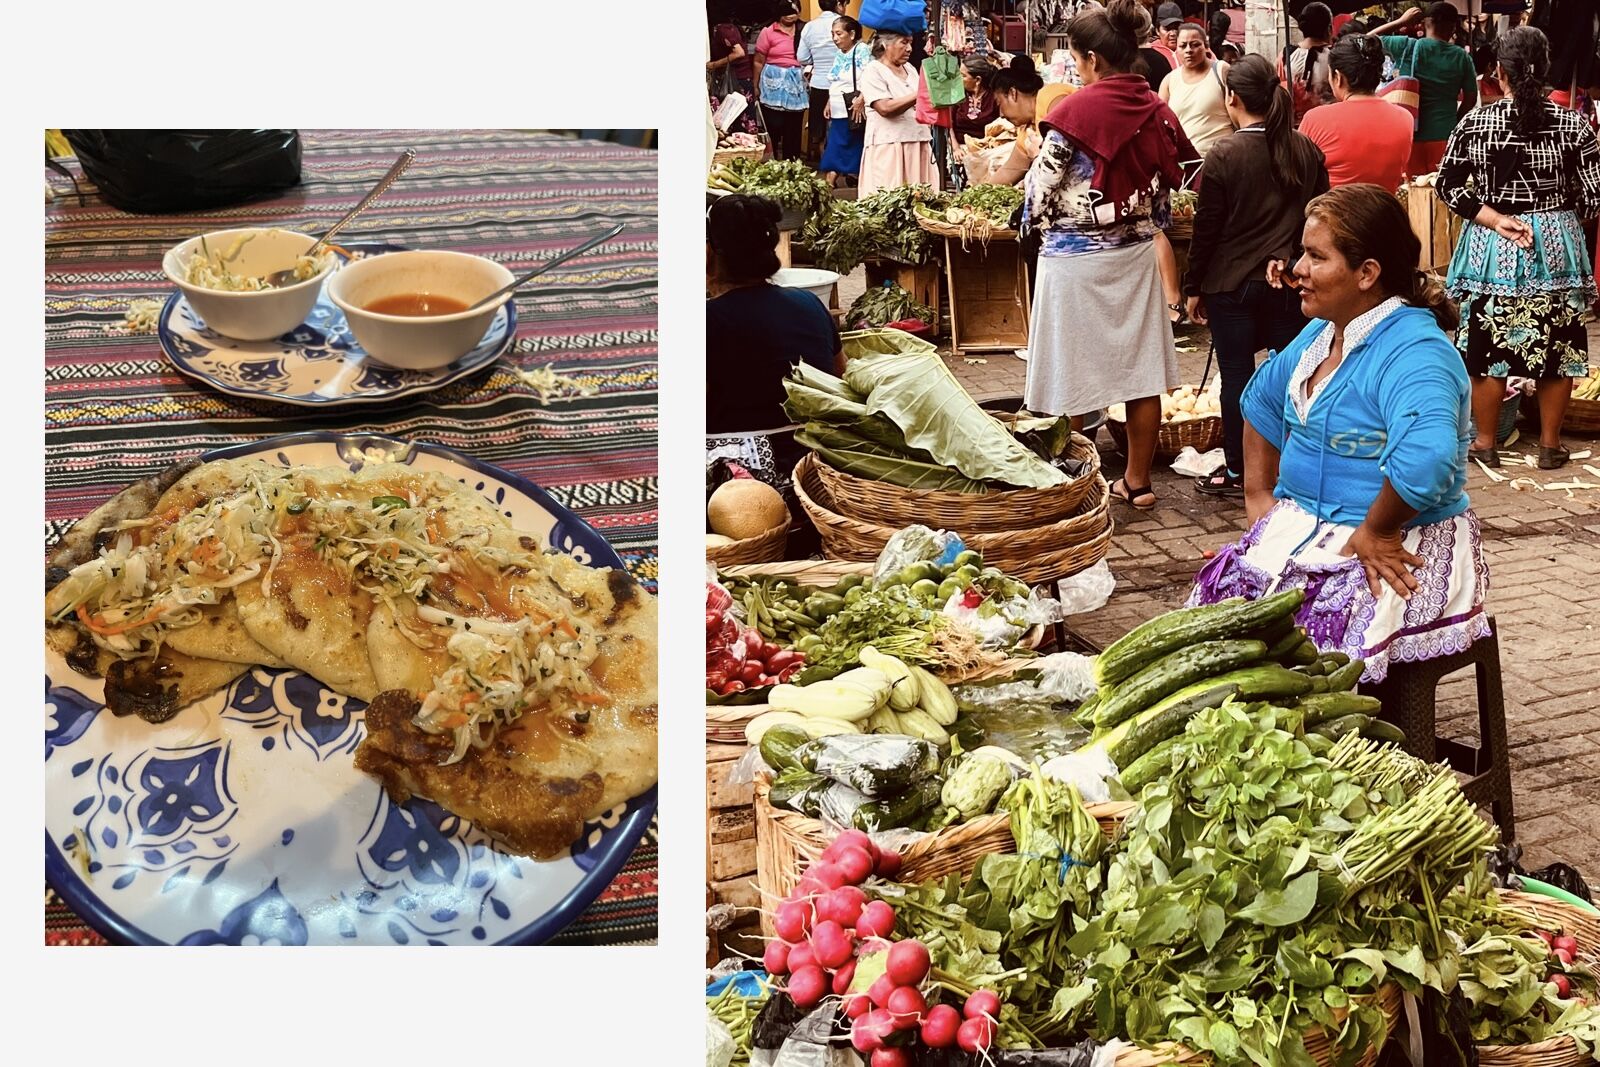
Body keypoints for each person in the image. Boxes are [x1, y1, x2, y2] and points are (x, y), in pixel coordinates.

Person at [1192, 183, 1488, 682]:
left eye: (1314, 256)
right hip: (1311, 524)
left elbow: (1427, 461)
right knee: (1218, 620)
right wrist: (1260, 500)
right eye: (1300, 253)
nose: (1297, 270)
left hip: (1402, 541)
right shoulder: (1323, 331)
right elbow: (1260, 400)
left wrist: (1378, 529)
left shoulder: (1416, 353)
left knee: (1308, 649)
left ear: (1367, 273)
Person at [1022, 0, 1198, 510]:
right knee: (1141, 375)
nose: (1078, 70)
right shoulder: (1157, 110)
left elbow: (1038, 195)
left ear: (1094, 60)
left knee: (1072, 373)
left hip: (1073, 262)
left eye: (1076, 60)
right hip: (1137, 257)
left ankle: (1076, 485)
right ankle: (1138, 483)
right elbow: (1171, 185)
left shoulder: (1071, 113)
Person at [1436, 26, 1600, 471]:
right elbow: (1592, 198)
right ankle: (1550, 445)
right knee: (1559, 346)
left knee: (1489, 344)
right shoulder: (1574, 125)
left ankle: (1485, 441)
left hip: (1493, 244)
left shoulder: (1476, 122)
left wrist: (1493, 217)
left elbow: (1448, 185)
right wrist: (1556, 218)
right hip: (1557, 247)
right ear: (1545, 71)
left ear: (1498, 73)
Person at [1184, 54, 1329, 497]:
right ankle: (1291, 467)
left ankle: (1239, 471)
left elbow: (1206, 229)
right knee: (1294, 377)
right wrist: (1288, 255)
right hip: (1290, 282)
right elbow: (1322, 215)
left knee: (1238, 379)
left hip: (1231, 287)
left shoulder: (1225, 153)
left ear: (1233, 98)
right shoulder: (1306, 148)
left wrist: (1192, 288)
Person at [707, 194, 843, 436]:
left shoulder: (707, 321)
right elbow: (839, 378)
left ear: (710, 253)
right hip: (815, 450)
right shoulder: (809, 303)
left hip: (736, 463)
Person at [1370, 3, 1477, 177]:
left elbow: (1361, 40)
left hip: (1408, 134)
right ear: (1453, 27)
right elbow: (1470, 99)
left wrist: (1400, 22)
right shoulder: (1462, 57)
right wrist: (1454, 122)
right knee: (1442, 194)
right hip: (1445, 135)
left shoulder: (1406, 45)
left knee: (1410, 193)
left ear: (1426, 23)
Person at [1298, 34, 1414, 190]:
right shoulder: (1405, 118)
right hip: (1384, 210)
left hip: (1330, 211)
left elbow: (1299, 175)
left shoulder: (1315, 119)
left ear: (1338, 77)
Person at [858, 31, 938, 196]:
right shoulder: (873, 71)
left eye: (910, 43)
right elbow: (885, 108)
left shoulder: (910, 69)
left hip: (918, 141)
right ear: (885, 45)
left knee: (921, 200)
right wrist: (921, 93)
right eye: (903, 43)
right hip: (890, 145)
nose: (909, 48)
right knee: (889, 197)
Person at [966, 55, 1046, 186]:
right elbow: (1008, 172)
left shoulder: (1052, 97)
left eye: (999, 104)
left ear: (1012, 93)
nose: (1001, 115)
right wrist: (974, 196)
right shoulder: (1026, 132)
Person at [1160, 22, 1233, 158]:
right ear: (1177, 49)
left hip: (1221, 159)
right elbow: (1162, 126)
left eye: (1195, 45)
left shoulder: (1221, 70)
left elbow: (1238, 114)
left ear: (1206, 46)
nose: (1188, 50)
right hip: (1185, 164)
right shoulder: (1169, 81)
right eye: (1183, 46)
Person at [819, 16, 871, 186]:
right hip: (838, 107)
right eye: (833, 34)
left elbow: (870, 77)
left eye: (839, 34)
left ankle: (831, 180)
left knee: (843, 144)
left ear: (852, 34)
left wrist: (861, 99)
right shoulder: (840, 53)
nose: (835, 38)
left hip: (852, 107)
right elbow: (836, 81)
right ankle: (839, 178)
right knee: (839, 143)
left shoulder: (861, 50)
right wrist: (828, 101)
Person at [755, 2, 809, 161]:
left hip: (797, 86)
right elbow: (758, 61)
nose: (790, 14)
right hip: (772, 86)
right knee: (774, 125)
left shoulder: (805, 30)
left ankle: (792, 164)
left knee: (793, 127)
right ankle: (773, 163)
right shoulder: (768, 32)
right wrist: (756, 86)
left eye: (794, 10)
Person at [798, 0, 842, 163]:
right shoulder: (845, 24)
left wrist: (816, 60)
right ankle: (841, 168)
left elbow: (802, 57)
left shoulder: (810, 26)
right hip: (842, 85)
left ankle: (826, 164)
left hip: (819, 83)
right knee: (840, 127)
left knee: (819, 130)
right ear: (839, 4)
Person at [1278, 2, 1335, 126]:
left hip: (1293, 126)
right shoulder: (1334, 58)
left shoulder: (1285, 56)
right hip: (1326, 124)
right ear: (1329, 29)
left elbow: (1279, 92)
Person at [952, 54, 1001, 146]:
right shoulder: (957, 94)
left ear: (978, 80)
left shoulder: (994, 98)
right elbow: (948, 125)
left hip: (986, 147)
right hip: (959, 147)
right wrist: (955, 148)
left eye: (963, 76)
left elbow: (1000, 127)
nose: (958, 79)